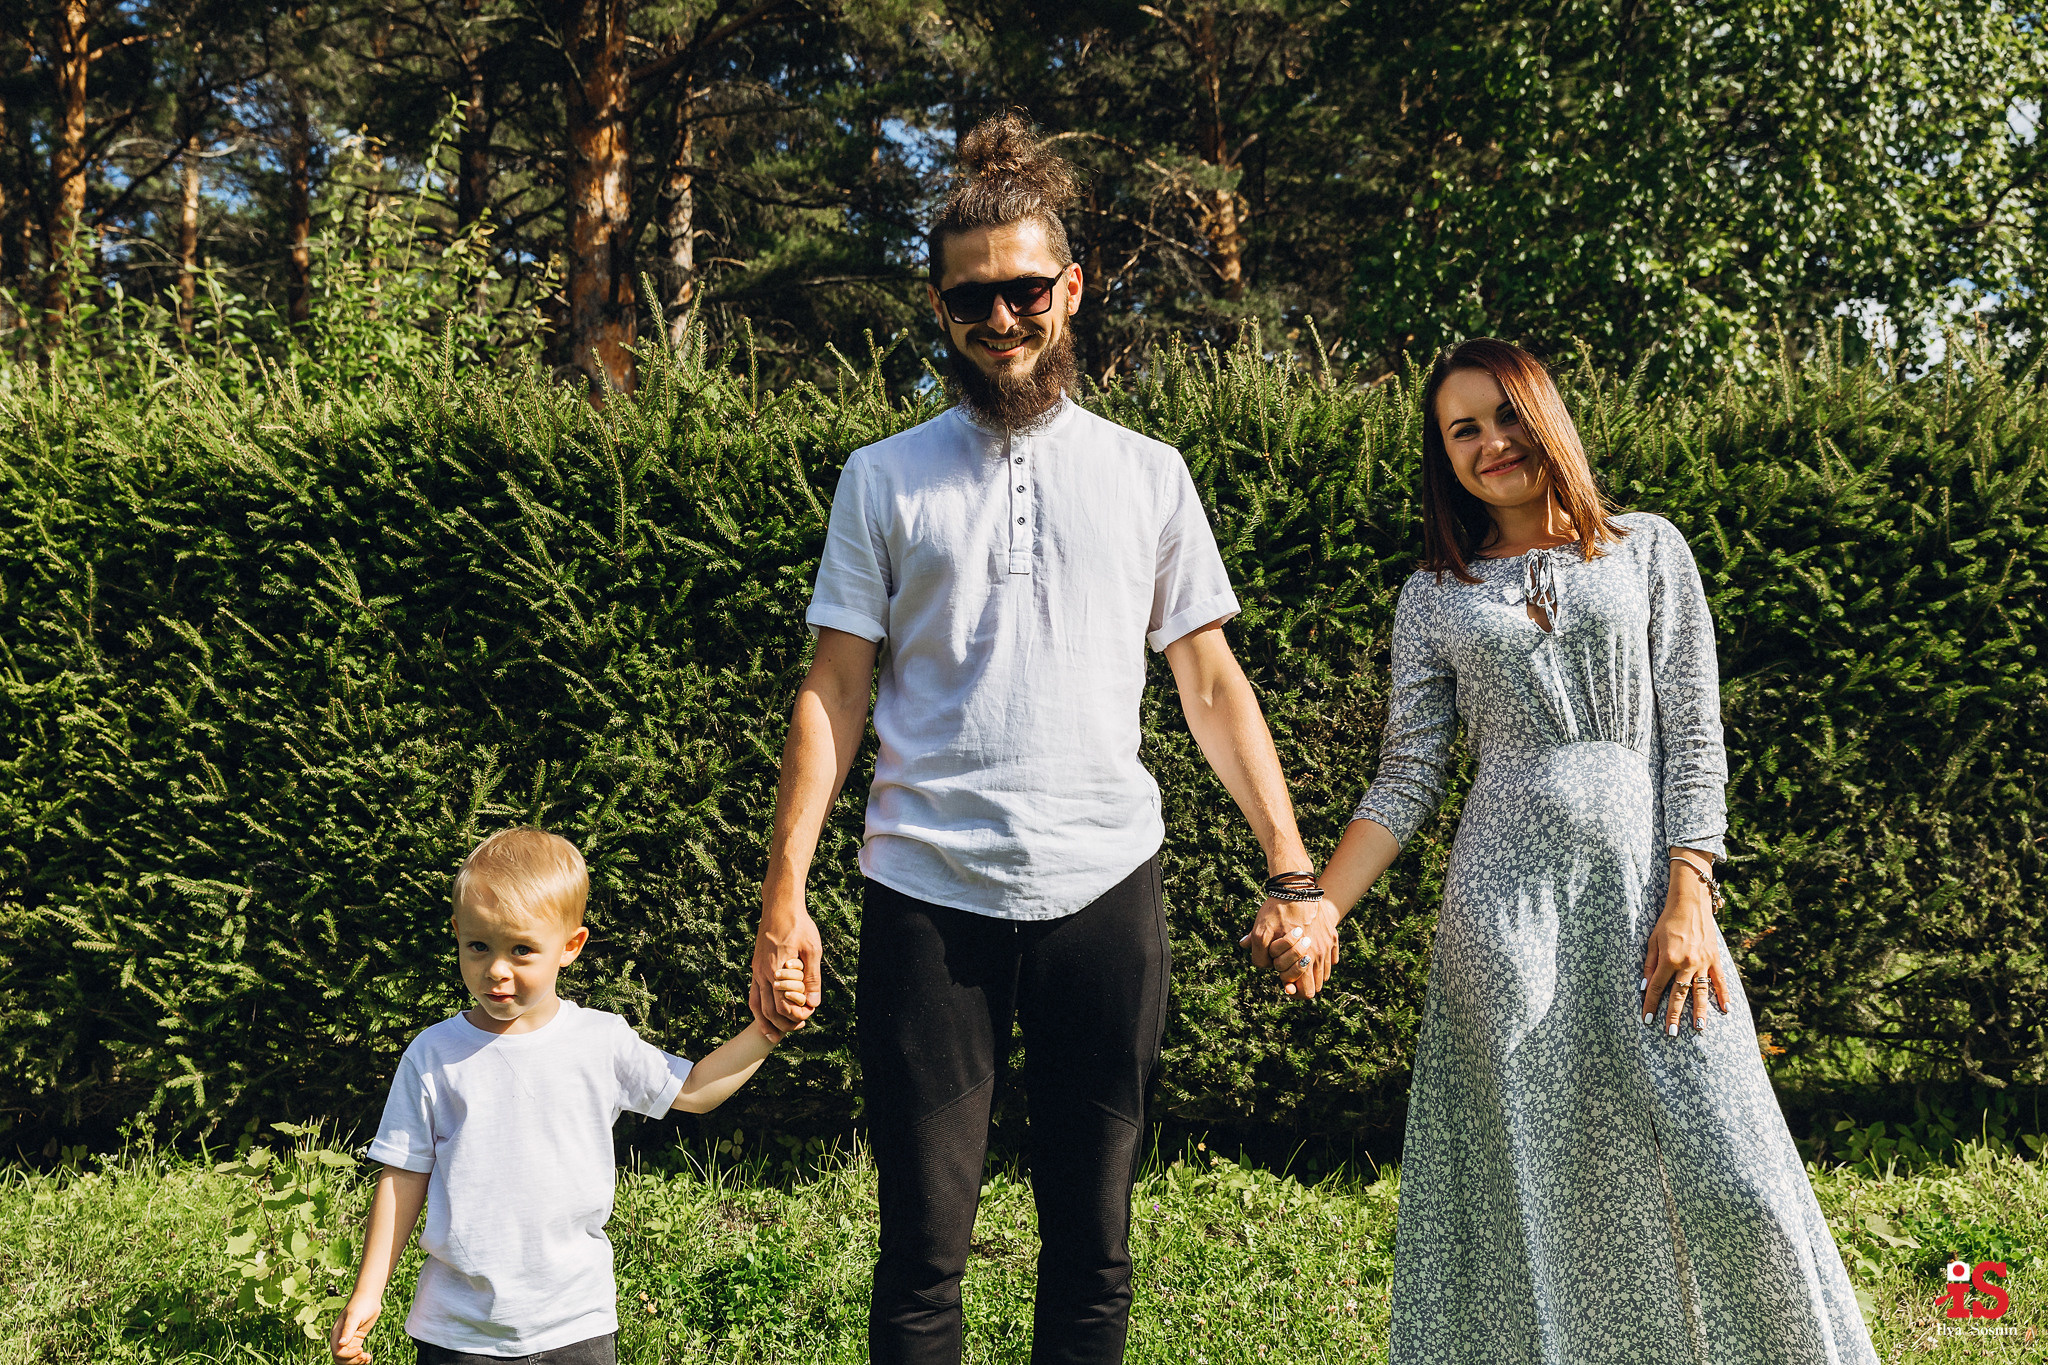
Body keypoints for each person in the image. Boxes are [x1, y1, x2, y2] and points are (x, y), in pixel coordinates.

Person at [748, 112, 1338, 1365]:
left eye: (1025, 291)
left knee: (1094, 1242)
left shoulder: (1147, 475)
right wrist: (784, 894)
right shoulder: (882, 478)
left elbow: (1212, 685)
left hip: (1102, 888)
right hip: (923, 894)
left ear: (1071, 289)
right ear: (938, 306)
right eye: (973, 300)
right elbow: (833, 690)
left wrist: (1292, 871)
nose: (1001, 321)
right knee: (921, 1246)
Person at [1301, 339, 1878, 1364]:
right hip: (1503, 907)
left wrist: (1687, 895)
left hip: (1648, 893)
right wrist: (1320, 906)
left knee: (1729, 1156)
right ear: (1443, 456)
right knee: (1547, 1171)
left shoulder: (1646, 548)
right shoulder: (1434, 593)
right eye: (1461, 430)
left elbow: (1693, 734)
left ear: (1546, 416)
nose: (1489, 444)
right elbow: (1405, 776)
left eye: (1504, 416)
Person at [329, 826, 805, 1365]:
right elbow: (404, 1174)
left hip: (574, 1321)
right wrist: (368, 1292)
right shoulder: (433, 1054)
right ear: (457, 933)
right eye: (478, 946)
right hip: (457, 1328)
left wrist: (767, 1031)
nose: (497, 970)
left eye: (522, 949)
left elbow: (693, 1090)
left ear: (570, 946)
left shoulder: (598, 1040)